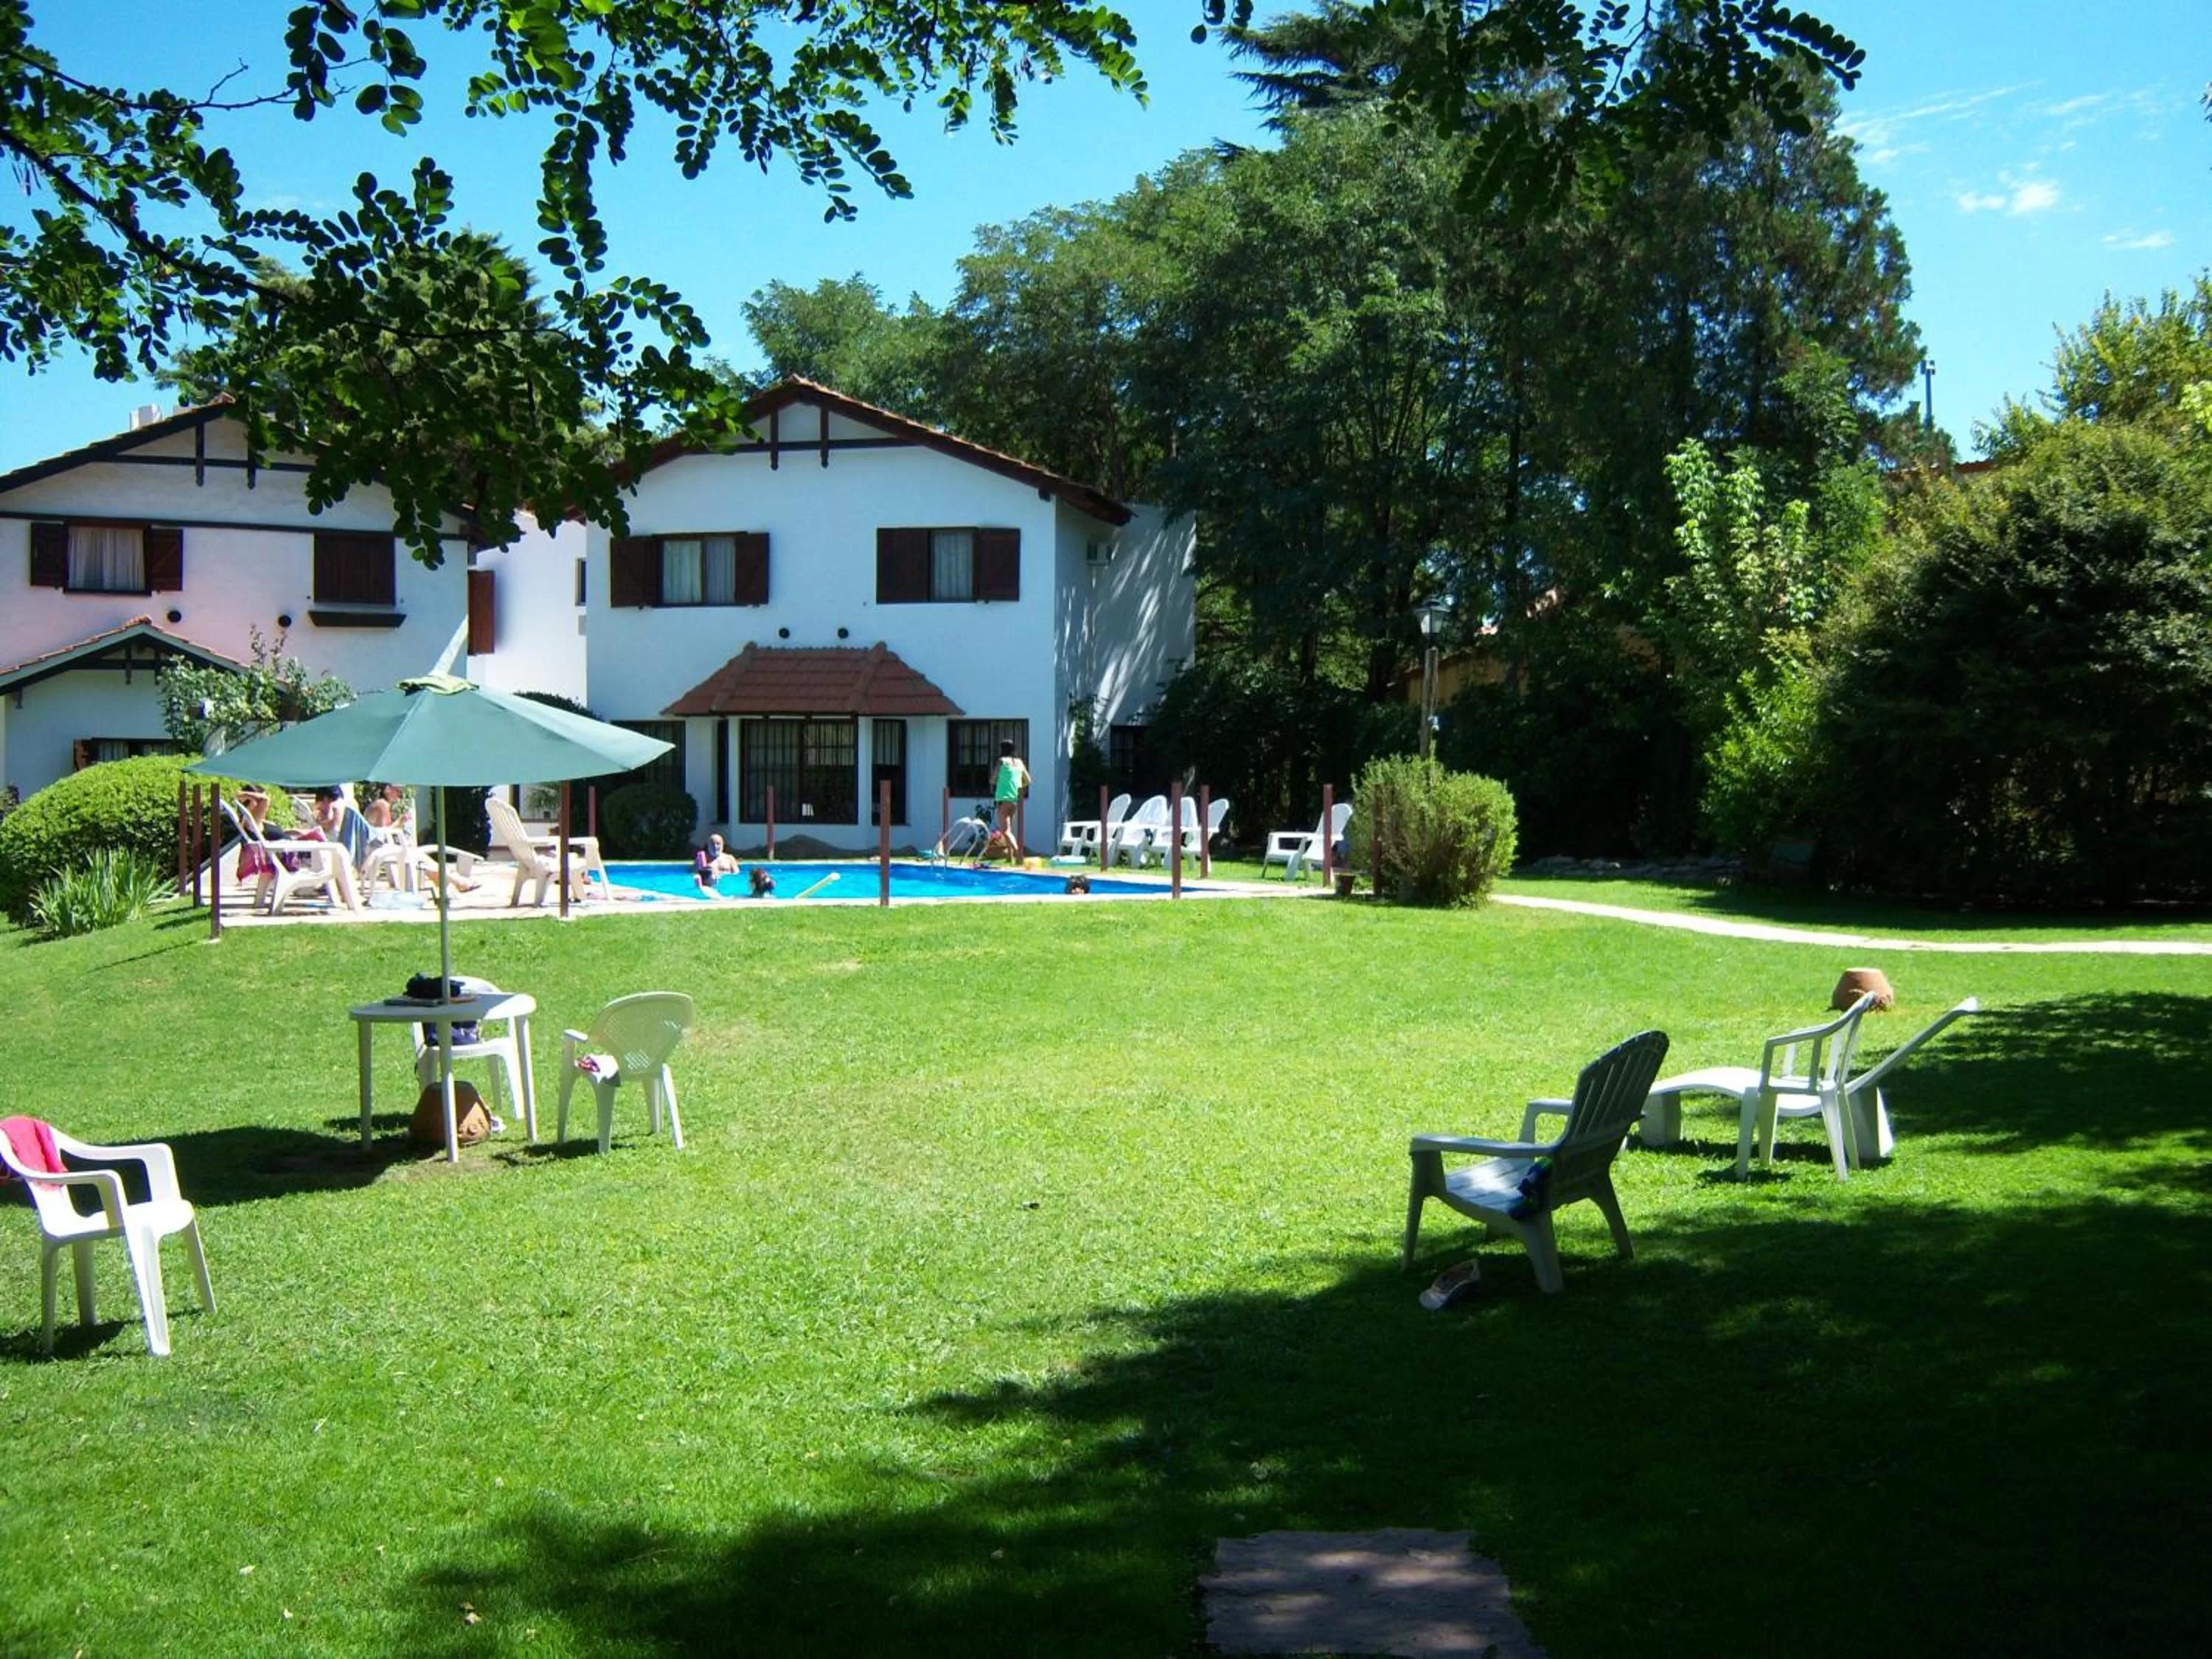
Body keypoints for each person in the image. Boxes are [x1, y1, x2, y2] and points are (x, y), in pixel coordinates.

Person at [991, 739, 1029, 846]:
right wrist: (1017, 785)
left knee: (1005, 832)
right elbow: (1028, 780)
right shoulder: (1019, 762)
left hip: (1003, 799)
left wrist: (1000, 781)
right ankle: (1010, 855)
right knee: (1009, 830)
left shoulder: (1002, 761)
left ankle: (1018, 852)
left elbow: (992, 780)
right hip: (1014, 799)